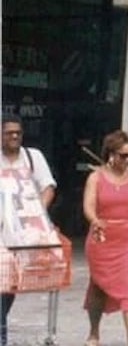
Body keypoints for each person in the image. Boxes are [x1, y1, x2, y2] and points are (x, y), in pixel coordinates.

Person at [82, 130, 128, 346]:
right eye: (123, 155)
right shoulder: (96, 177)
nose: (127, 160)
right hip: (103, 238)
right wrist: (95, 220)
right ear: (110, 154)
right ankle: (94, 333)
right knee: (98, 286)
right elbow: (88, 206)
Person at [0, 116, 58, 346]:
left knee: (11, 283)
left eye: (18, 132)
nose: (14, 136)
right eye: (9, 133)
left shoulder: (33, 157)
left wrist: (37, 211)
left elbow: (48, 186)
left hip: (24, 233)